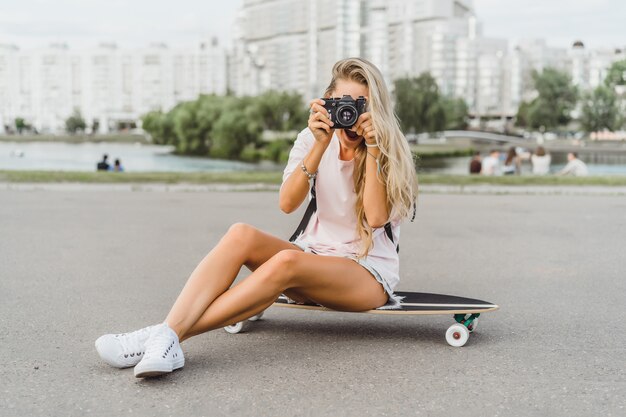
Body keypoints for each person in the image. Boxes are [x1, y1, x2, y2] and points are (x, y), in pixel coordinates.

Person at [94, 57, 419, 378]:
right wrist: (319, 146)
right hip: (314, 257)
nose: (351, 114)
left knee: (284, 263)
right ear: (325, 104)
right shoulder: (312, 140)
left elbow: (376, 218)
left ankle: (164, 336)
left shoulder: (389, 146)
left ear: (375, 108)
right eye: (343, 104)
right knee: (241, 234)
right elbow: (287, 203)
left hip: (366, 274)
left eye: (361, 104)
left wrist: (374, 145)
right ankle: (165, 337)